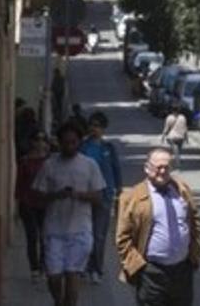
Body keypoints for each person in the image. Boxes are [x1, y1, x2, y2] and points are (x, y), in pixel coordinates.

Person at [116, 147, 200, 306]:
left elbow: (194, 221)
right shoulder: (133, 197)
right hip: (151, 272)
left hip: (182, 271)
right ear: (147, 168)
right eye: (158, 167)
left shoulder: (182, 190)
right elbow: (123, 237)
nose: (162, 171)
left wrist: (195, 253)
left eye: (166, 167)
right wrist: (137, 265)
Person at [32, 122, 106, 306]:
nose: (69, 146)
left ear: (79, 142)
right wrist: (56, 195)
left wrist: (79, 195)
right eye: (65, 142)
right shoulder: (49, 165)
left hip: (80, 230)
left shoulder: (89, 165)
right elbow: (37, 195)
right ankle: (59, 301)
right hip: (53, 230)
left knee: (72, 273)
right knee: (54, 275)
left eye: (73, 142)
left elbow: (98, 197)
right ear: (59, 142)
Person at [80, 111, 123, 285]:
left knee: (99, 235)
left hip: (104, 196)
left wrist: (119, 189)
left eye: (97, 125)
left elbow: (116, 169)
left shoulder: (108, 148)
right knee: (84, 233)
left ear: (103, 128)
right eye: (92, 125)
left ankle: (96, 268)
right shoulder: (83, 147)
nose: (94, 128)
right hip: (85, 196)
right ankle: (83, 265)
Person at [15, 130, 50, 282]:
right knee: (32, 236)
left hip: (45, 204)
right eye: (37, 139)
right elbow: (19, 184)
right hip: (28, 203)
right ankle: (34, 268)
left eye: (43, 139)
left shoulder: (50, 162)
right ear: (31, 142)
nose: (40, 143)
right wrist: (18, 202)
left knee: (45, 237)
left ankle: (43, 265)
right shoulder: (25, 161)